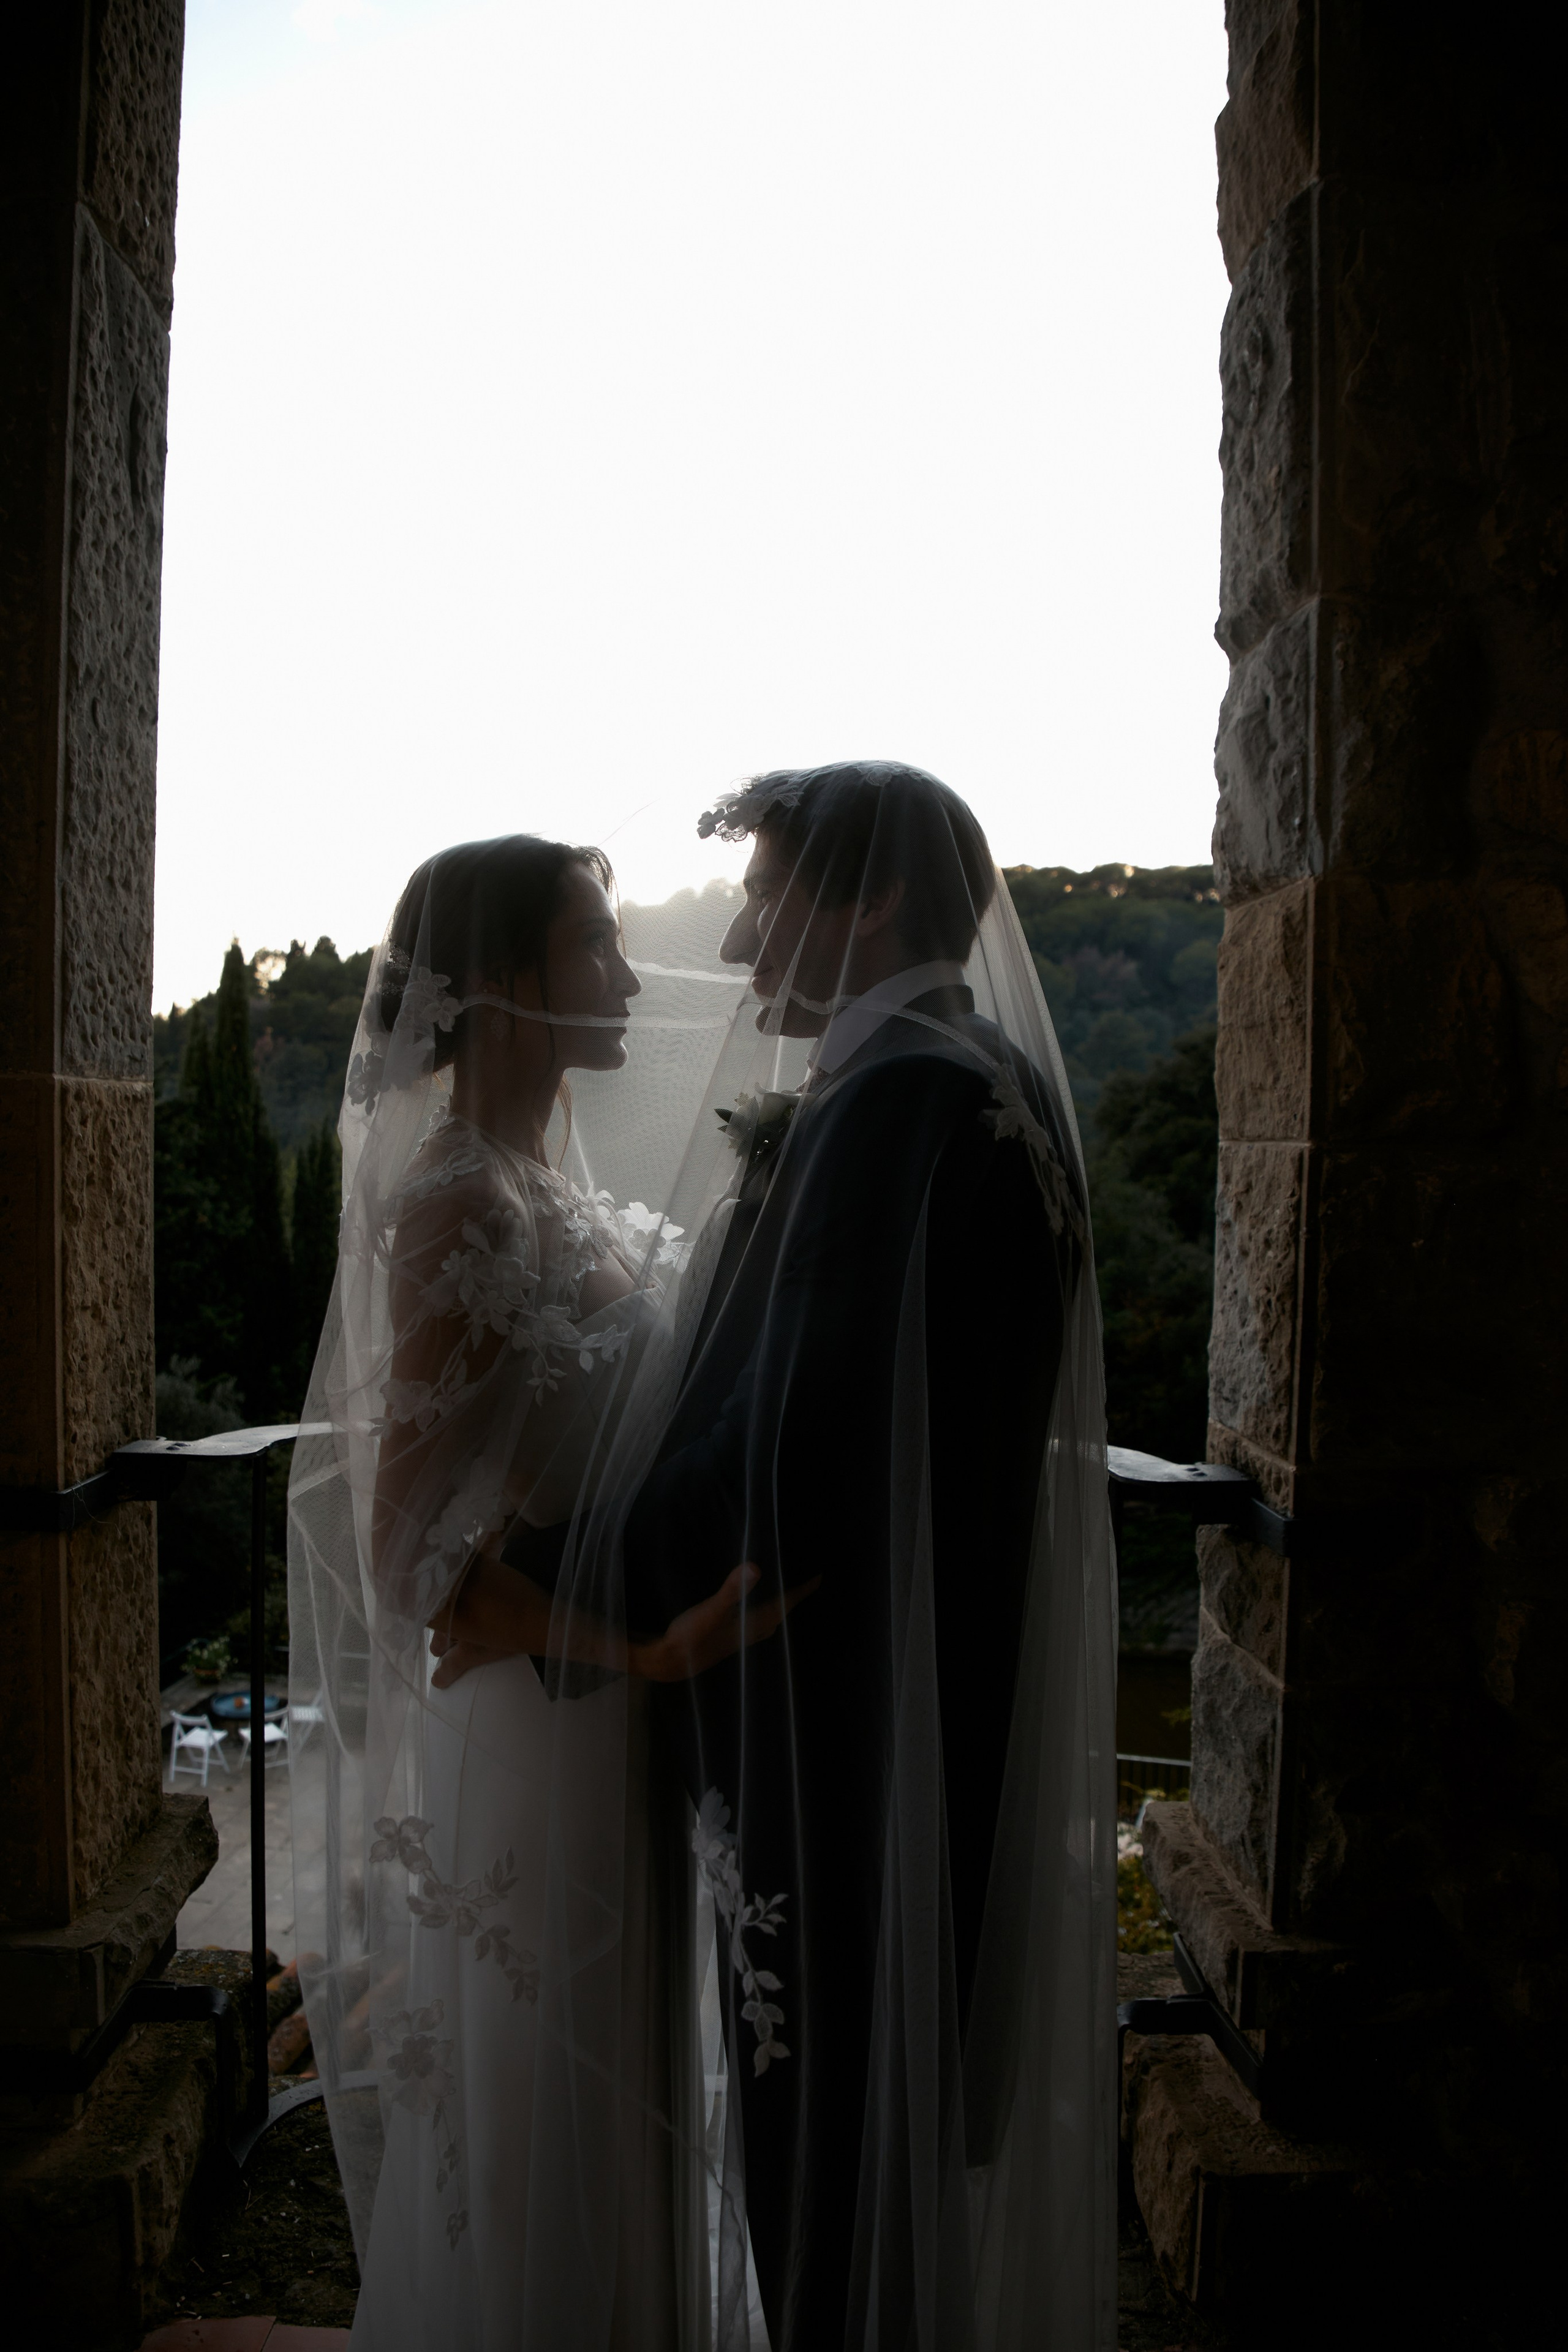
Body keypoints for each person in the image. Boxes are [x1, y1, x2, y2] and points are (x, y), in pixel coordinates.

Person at [438, 766, 1118, 2351]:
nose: (740, 941)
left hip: (832, 1733)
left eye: (763, 895)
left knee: (824, 2184)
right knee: (878, 2174)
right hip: (923, 1699)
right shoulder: (988, 1081)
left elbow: (782, 1458)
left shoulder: (892, 1109)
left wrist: (547, 1587)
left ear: (864, 900)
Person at [288, 835, 799, 2350]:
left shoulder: (545, 1184)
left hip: (602, 1716)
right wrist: (635, 1652)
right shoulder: (459, 1201)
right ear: (503, 982)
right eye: (594, 945)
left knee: (613, 2083)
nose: (631, 977)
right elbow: (403, 1551)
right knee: (544, 2101)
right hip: (540, 1724)